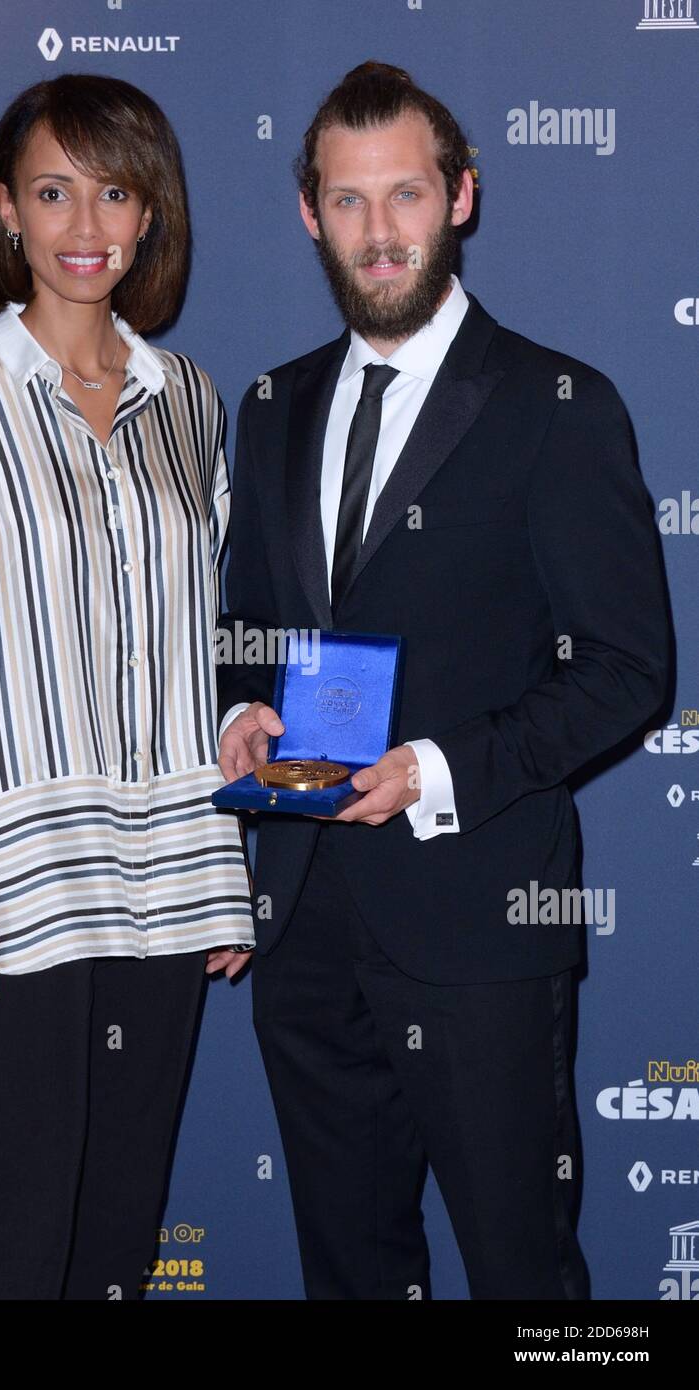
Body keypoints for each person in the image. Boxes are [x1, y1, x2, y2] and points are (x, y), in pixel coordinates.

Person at [216, 61, 671, 1299]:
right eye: (348, 201)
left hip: (481, 927)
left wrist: (436, 768)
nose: (378, 232)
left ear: (459, 198)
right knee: (349, 1273)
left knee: (527, 1279)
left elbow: (628, 670)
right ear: (310, 213)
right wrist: (240, 706)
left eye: (404, 195)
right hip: (305, 923)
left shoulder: (555, 403)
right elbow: (248, 623)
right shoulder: (269, 408)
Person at [0, 72, 254, 1301]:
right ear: (5, 211)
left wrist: (229, 829)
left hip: (170, 861)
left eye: (115, 191)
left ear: (149, 217)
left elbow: (206, 629)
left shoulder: (188, 400)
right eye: (53, 191)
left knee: (123, 1230)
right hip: (20, 864)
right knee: (24, 1234)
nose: (86, 225)